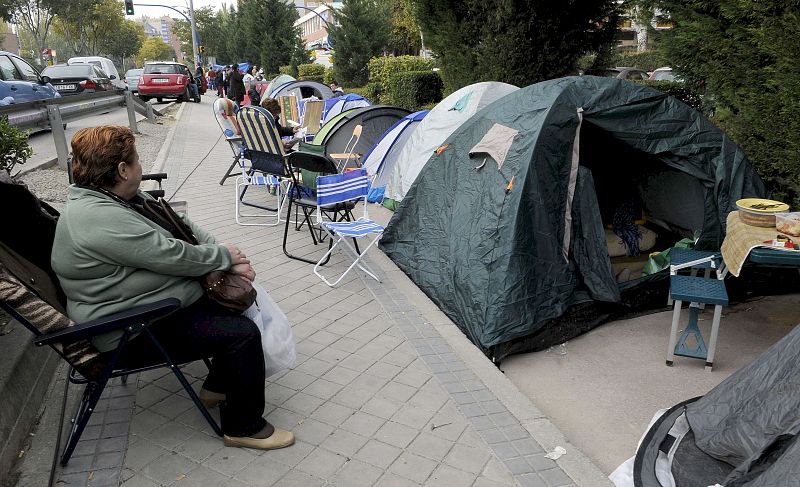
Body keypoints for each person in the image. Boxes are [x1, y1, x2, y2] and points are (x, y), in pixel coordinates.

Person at [51, 125, 295, 451]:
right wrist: (224, 258)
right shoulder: (99, 218)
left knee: (231, 303)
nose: (140, 166)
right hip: (124, 330)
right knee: (242, 334)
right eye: (137, 160)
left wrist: (227, 257)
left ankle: (217, 387)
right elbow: (172, 255)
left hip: (137, 310)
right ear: (123, 170)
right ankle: (243, 427)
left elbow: (182, 227)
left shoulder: (115, 199)